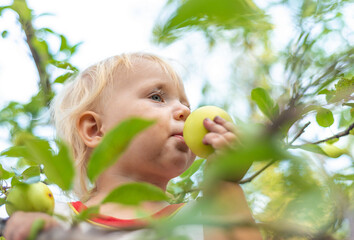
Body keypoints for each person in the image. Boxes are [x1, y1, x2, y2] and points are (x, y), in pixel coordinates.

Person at [3, 53, 262, 240]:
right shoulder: (56, 219)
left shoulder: (202, 219)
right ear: (95, 129)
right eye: (157, 97)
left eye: (187, 105)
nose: (184, 111)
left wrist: (224, 184)